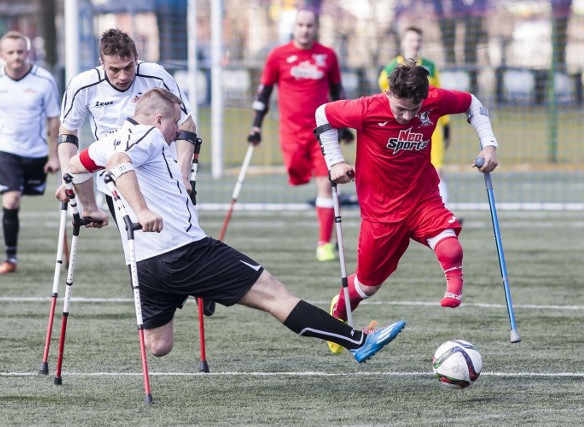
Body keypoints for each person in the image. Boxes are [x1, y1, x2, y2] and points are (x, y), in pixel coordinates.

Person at [66, 88, 406, 363]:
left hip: (143, 264)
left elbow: (75, 167)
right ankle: (359, 341)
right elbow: (119, 162)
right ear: (158, 120)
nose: (176, 133)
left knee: (159, 345)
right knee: (275, 295)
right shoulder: (149, 137)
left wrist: (86, 204)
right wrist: (141, 210)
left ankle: (199, 288)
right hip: (186, 251)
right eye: (175, 126)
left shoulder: (105, 140)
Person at [315, 60, 499, 354]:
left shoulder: (435, 101)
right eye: (400, 109)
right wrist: (335, 161)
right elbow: (323, 112)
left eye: (414, 110)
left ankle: (454, 286)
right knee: (367, 286)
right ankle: (339, 312)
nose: (406, 116)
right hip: (381, 211)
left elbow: (472, 104)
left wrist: (489, 145)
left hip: (422, 197)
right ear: (388, 93)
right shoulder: (367, 108)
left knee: (450, 244)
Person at [54, 28, 213, 316]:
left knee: (183, 237)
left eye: (129, 67)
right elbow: (68, 135)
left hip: (163, 172)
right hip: (117, 178)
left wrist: (181, 175)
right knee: (145, 247)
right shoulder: (83, 85)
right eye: (114, 69)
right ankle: (169, 303)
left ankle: (204, 281)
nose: (123, 76)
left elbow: (186, 126)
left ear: (137, 58)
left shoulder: (156, 75)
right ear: (102, 63)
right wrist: (67, 177)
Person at [247, 9, 353, 262]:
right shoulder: (278, 55)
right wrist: (256, 126)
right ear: (294, 27)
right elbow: (263, 93)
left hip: (323, 132)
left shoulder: (327, 56)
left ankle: (324, 243)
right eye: (301, 25)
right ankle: (325, 234)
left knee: (326, 184)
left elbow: (338, 91)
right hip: (291, 133)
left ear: (315, 28)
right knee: (297, 173)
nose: (305, 29)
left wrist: (345, 125)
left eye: (309, 25)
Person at [0, 31, 60, 275]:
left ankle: (59, 255)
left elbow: (54, 120)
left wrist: (54, 155)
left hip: (36, 152)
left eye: (20, 52)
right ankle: (10, 258)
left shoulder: (44, 80)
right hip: (6, 150)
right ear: (1, 55)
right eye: (10, 52)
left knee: (46, 199)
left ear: (28, 52)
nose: (16, 57)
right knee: (11, 199)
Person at [378, 26, 453, 206]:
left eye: (418, 40)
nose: (415, 43)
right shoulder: (390, 68)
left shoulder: (430, 67)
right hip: (402, 128)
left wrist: (446, 124)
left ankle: (441, 211)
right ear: (403, 42)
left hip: (430, 126)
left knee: (436, 169)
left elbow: (439, 96)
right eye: (411, 40)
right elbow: (383, 98)